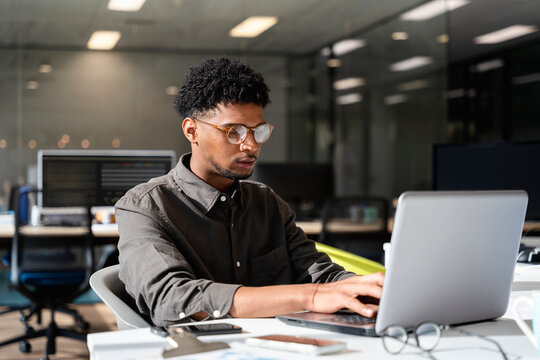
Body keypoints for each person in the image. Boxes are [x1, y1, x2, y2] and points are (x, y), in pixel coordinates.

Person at [116, 57, 384, 327]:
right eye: (234, 132)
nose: (251, 145)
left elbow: (319, 274)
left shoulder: (266, 202)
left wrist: (368, 289)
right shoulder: (144, 207)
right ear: (192, 130)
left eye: (259, 131)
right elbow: (173, 299)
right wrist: (311, 297)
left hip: (280, 347)